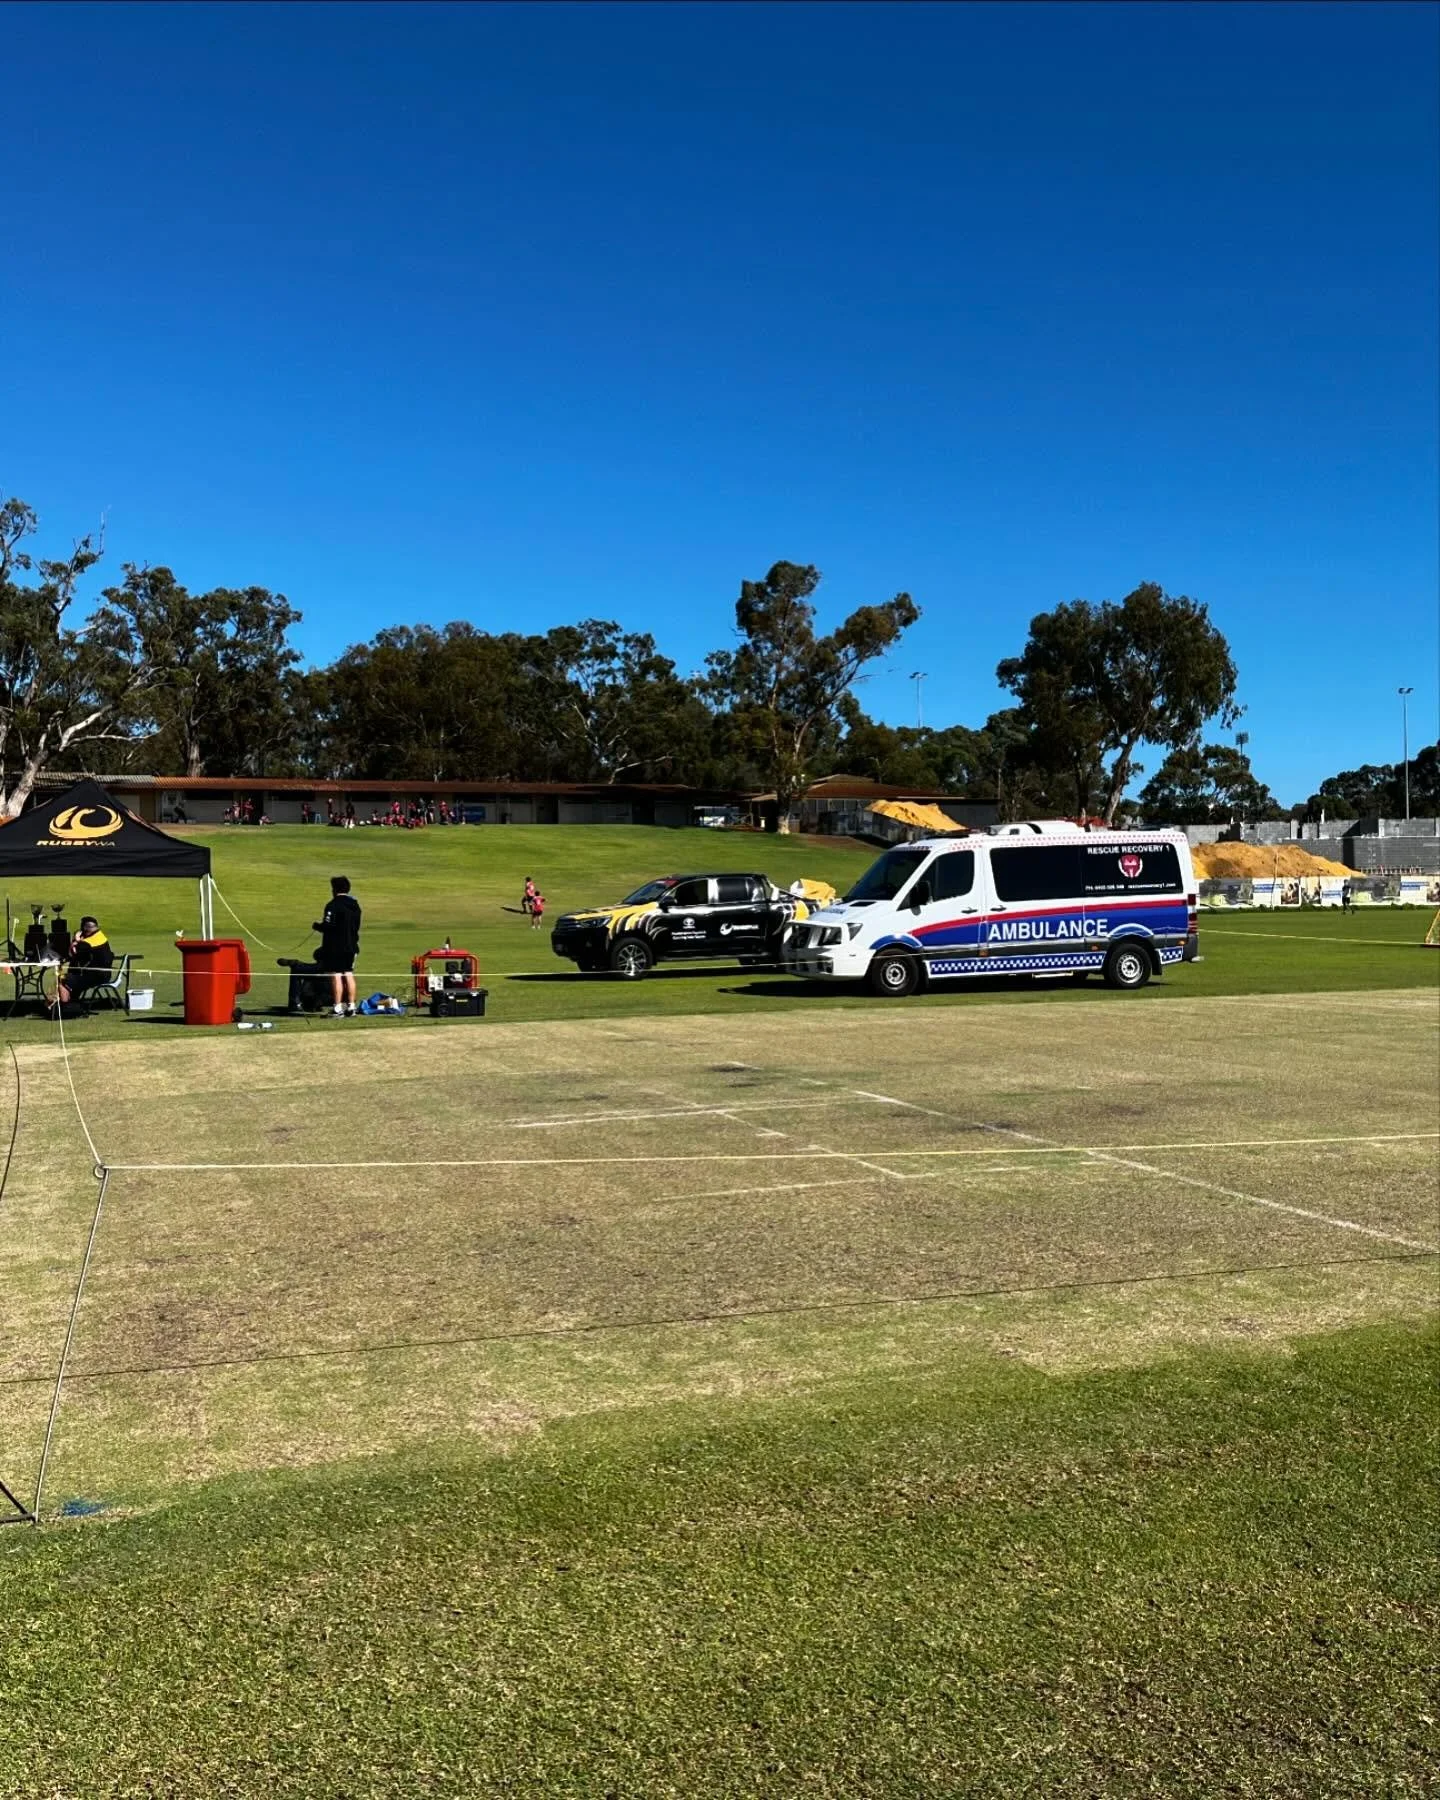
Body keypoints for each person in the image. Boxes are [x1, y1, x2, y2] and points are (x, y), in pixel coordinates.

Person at [313, 876, 362, 1016]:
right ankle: (351, 1006)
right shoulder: (355, 905)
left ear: (334, 889)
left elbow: (329, 926)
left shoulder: (333, 905)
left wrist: (317, 926)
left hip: (335, 947)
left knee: (336, 975)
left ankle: (337, 1007)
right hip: (351, 945)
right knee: (348, 973)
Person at [49, 916, 114, 1015]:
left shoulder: (88, 942)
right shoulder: (100, 936)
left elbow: (72, 953)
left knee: (62, 979)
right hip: (103, 974)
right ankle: (73, 1002)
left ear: (85, 929)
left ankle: (65, 1008)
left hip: (96, 976)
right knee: (73, 975)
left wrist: (76, 940)